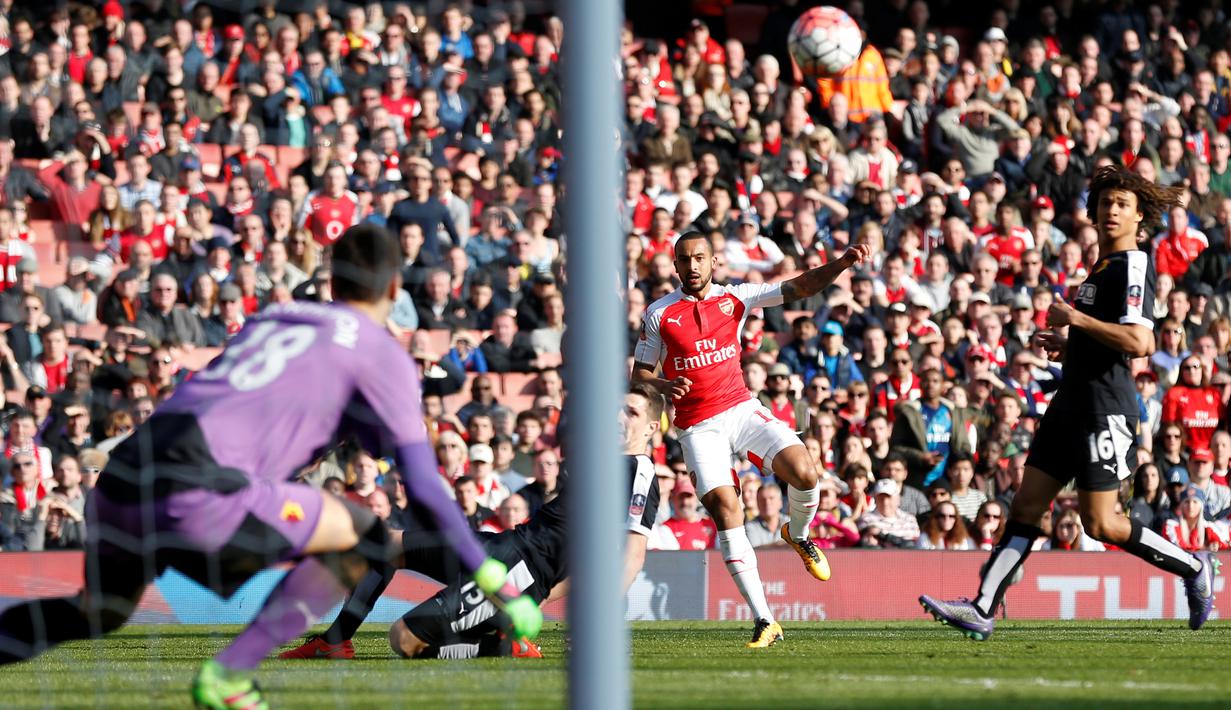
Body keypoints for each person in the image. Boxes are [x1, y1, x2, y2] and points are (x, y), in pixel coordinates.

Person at [0, 225, 541, 709]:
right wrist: (495, 579)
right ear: (396, 289)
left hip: (123, 477)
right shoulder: (382, 355)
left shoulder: (279, 316)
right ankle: (229, 676)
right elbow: (422, 486)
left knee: (98, 612)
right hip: (200, 485)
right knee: (367, 539)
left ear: (332, 284)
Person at [921, 165, 1221, 640]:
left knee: (1101, 523)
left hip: (1105, 407)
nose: (1111, 211)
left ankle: (1193, 565)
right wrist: (1070, 343)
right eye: (1105, 203)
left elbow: (1141, 343)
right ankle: (982, 607)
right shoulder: (1099, 268)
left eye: (1122, 204)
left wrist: (1077, 321)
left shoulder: (1134, 264)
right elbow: (1110, 338)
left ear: (1140, 214)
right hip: (1069, 403)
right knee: (1026, 505)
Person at [281, 383, 664, 660]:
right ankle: (335, 641)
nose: (618, 417)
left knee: (403, 641)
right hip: (504, 546)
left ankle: (500, 646)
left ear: (652, 429)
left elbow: (630, 556)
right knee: (385, 545)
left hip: (515, 571)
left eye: (631, 412)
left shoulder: (639, 473)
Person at [633, 230, 870, 647]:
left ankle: (797, 535)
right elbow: (640, 375)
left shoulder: (737, 297)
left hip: (742, 408)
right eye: (684, 260)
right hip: (696, 425)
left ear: (712, 262)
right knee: (727, 509)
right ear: (675, 266)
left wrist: (842, 264)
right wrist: (663, 385)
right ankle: (765, 620)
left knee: (805, 472)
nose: (692, 266)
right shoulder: (659, 314)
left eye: (699, 258)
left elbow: (798, 287)